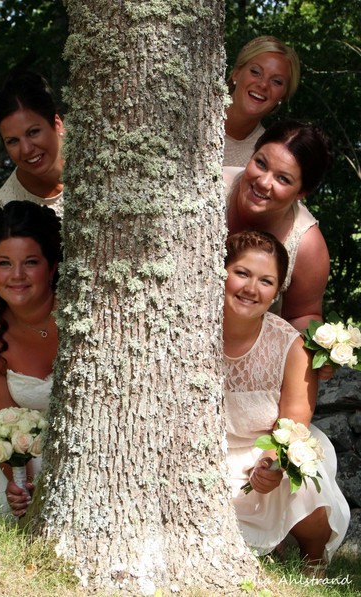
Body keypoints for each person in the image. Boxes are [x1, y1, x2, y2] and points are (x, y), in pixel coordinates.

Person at [223, 230, 350, 575]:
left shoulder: (290, 346)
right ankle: (267, 547)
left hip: (270, 448)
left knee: (304, 485)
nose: (252, 288)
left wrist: (270, 463)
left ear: (278, 291)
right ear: (221, 272)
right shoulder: (190, 331)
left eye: (266, 281)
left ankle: (313, 556)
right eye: (242, 273)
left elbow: (294, 423)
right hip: (213, 454)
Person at [0, 201, 62, 516]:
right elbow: (3, 430)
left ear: (52, 266)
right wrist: (23, 484)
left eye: (31, 262)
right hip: (26, 475)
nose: (17, 275)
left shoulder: (78, 315)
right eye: (5, 263)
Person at [224, 119, 332, 337]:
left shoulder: (308, 246)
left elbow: (302, 316)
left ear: (301, 193)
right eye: (261, 163)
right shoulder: (208, 186)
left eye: (283, 178)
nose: (263, 182)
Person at [0, 71, 65, 218]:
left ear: (57, 124)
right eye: (13, 141)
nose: (26, 150)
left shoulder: (97, 146)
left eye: (33, 132)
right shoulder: (9, 204)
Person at [224, 36, 300, 168]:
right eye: (256, 72)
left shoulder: (266, 154)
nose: (263, 85)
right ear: (236, 73)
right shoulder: (195, 112)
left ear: (283, 96)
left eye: (276, 81)